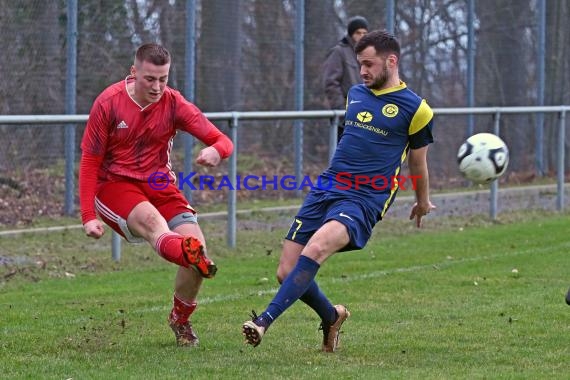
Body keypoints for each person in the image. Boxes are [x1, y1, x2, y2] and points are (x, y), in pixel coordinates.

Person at [242, 30, 435, 352]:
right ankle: (332, 316)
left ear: (391, 61)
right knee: (286, 271)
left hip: (364, 199)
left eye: (369, 64)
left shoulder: (417, 109)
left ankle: (263, 321)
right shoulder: (356, 95)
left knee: (315, 250)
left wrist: (422, 201)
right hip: (327, 187)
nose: (362, 72)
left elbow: (418, 164)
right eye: (360, 64)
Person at [79, 43, 233, 347]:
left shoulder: (174, 103)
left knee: (198, 250)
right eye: (150, 79)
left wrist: (216, 150)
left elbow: (221, 139)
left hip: (160, 184)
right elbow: (89, 161)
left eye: (163, 79)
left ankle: (180, 319)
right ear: (134, 72)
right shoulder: (108, 103)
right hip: (115, 185)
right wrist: (87, 216)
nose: (157, 86)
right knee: (154, 224)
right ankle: (186, 251)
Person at [323, 16, 369, 140]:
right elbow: (331, 82)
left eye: (365, 33)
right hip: (346, 118)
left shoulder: (368, 54)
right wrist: (342, 110)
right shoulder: (339, 52)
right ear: (351, 34)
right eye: (358, 33)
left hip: (366, 116)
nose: (362, 36)